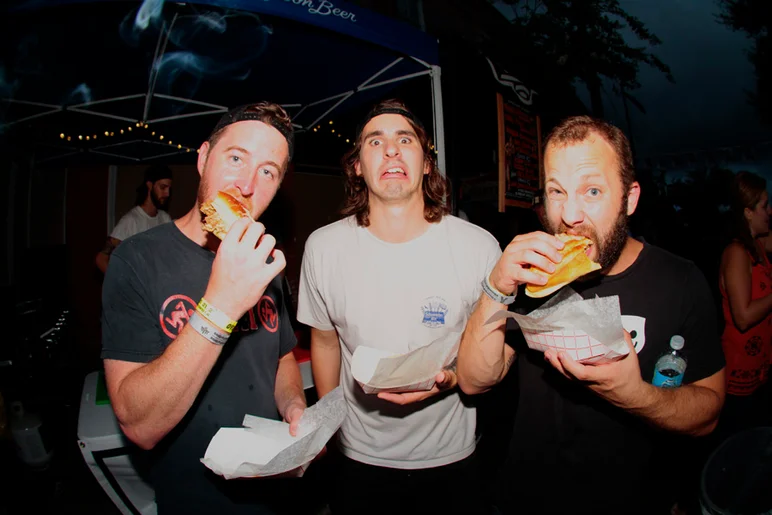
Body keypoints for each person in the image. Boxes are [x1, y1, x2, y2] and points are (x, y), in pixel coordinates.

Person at [457, 115, 726, 515]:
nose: (570, 215)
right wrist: (496, 287)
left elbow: (708, 414)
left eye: (593, 191)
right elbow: (474, 382)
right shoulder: (533, 278)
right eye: (557, 192)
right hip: (525, 497)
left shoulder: (681, 282)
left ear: (630, 199)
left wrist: (637, 396)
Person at [101, 102, 315, 515]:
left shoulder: (262, 260)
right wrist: (221, 305)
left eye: (268, 171)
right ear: (202, 158)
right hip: (195, 499)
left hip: (272, 490)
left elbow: (283, 357)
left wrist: (293, 408)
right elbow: (138, 424)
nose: (248, 184)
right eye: (236, 158)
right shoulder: (136, 259)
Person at [297, 99, 501, 515]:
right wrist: (331, 426)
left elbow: (499, 349)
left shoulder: (478, 246)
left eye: (404, 139)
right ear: (357, 166)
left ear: (427, 163)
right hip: (357, 460)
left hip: (452, 457)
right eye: (376, 141)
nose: (391, 150)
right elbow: (324, 341)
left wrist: (452, 377)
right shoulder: (323, 247)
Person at [718, 170, 772, 436]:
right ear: (748, 212)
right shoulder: (737, 253)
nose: (770, 211)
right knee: (742, 442)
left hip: (761, 364)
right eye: (764, 205)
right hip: (739, 372)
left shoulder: (759, 244)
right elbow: (743, 317)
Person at [95, 164, 173, 273]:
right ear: (150, 185)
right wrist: (121, 283)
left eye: (169, 188)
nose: (167, 193)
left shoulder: (165, 218)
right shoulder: (131, 220)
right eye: (163, 187)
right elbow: (101, 259)